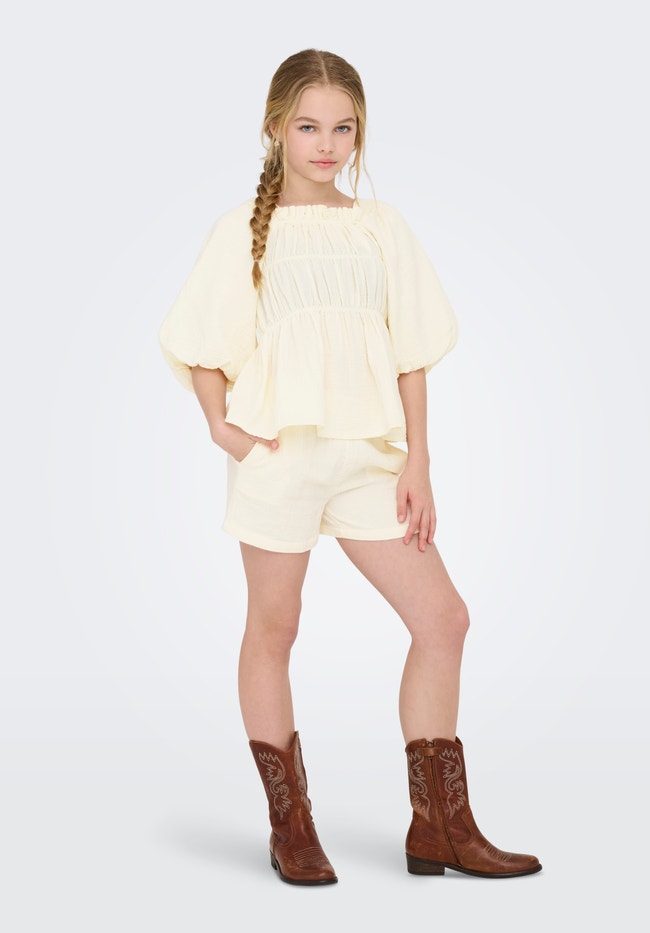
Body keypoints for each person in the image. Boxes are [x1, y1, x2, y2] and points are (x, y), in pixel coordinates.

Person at [159, 48, 541, 886]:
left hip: (370, 459)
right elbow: (199, 343)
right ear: (275, 128)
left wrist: (419, 462)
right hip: (279, 458)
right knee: (275, 628)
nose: (326, 144)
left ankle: (440, 825)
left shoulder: (380, 227)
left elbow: (411, 352)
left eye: (343, 128)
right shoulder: (241, 229)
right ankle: (291, 825)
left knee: (443, 619)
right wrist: (224, 431)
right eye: (308, 127)